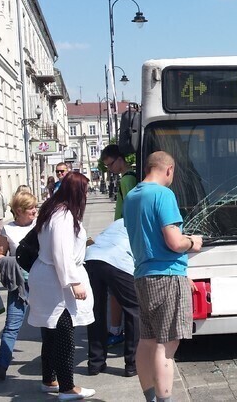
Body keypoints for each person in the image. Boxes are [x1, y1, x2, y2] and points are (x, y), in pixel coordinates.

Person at [123, 151, 203, 402]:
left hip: (143, 275)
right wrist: (192, 241)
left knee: (146, 342)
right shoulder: (163, 195)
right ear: (169, 169)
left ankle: (150, 398)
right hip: (167, 275)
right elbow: (174, 242)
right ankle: (164, 399)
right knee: (166, 345)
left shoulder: (132, 196)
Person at [26, 171, 96, 401]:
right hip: (57, 280)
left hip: (47, 276)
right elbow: (62, 253)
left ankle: (50, 379)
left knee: (51, 332)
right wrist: (73, 282)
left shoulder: (53, 211)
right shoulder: (64, 216)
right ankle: (67, 387)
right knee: (64, 333)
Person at [0, 191, 38, 380]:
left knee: (49, 323)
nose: (34, 210)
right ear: (19, 210)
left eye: (35, 206)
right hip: (20, 284)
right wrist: (11, 263)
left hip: (42, 281)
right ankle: (1, 367)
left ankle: (51, 363)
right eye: (30, 208)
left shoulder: (41, 226)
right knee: (12, 325)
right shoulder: (7, 230)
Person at [85, 220, 140, 378]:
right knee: (134, 309)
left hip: (92, 259)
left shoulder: (119, 222)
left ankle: (95, 363)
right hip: (118, 261)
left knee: (96, 311)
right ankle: (132, 364)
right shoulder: (143, 221)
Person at [100, 144, 139, 347]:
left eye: (110, 164)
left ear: (120, 159)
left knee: (116, 289)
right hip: (122, 233)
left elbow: (131, 209)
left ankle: (116, 329)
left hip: (124, 235)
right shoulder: (127, 178)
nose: (109, 169)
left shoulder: (127, 179)